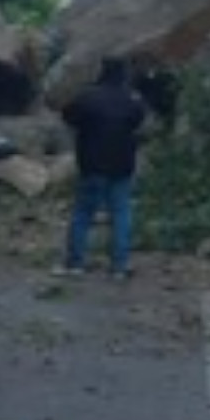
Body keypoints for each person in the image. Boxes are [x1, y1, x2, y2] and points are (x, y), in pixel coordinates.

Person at [55, 56, 147, 280]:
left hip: (91, 164)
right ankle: (119, 266)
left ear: (101, 72)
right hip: (122, 164)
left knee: (83, 213)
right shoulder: (131, 100)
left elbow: (67, 115)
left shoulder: (87, 98)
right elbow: (139, 121)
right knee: (121, 213)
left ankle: (75, 264)